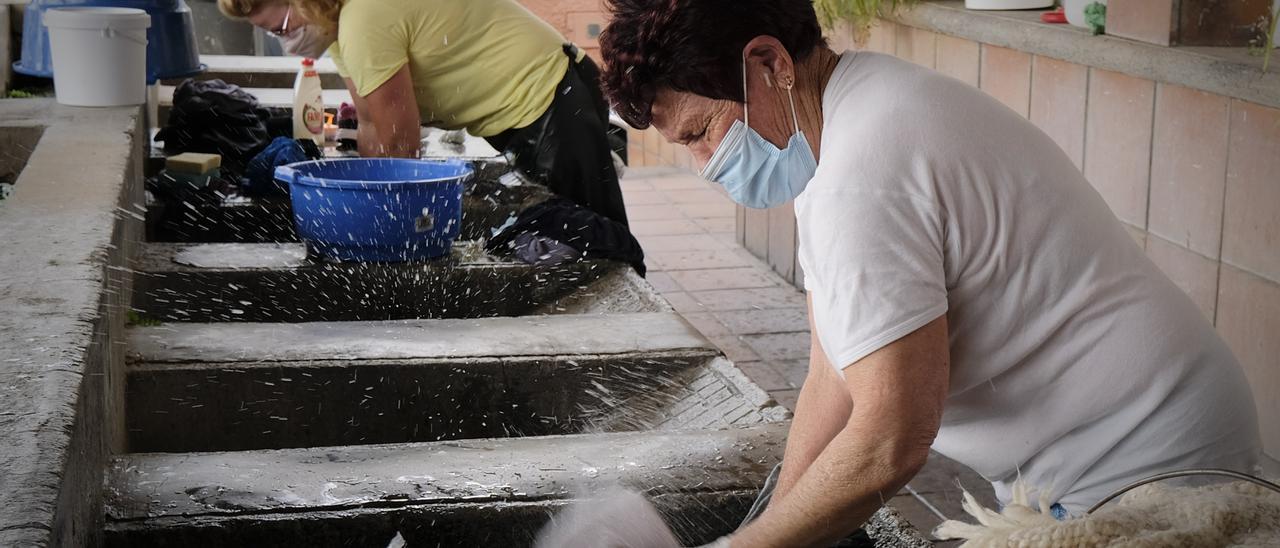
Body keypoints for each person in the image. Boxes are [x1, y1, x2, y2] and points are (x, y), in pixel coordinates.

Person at [596, 0, 1262, 546]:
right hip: (1140, 432)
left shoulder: (863, 172)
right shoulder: (852, 110)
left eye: (702, 131)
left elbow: (891, 439)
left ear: (768, 62)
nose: (705, 162)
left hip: (1144, 464)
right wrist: (767, 524)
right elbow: (834, 371)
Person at [217, 0, 630, 226]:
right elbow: (370, 125)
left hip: (552, 95)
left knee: (598, 241)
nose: (285, 42)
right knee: (567, 232)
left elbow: (400, 144)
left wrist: (379, 223)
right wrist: (362, 197)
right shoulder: (342, 31)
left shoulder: (365, 19)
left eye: (282, 29)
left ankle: (633, 350)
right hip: (529, 110)